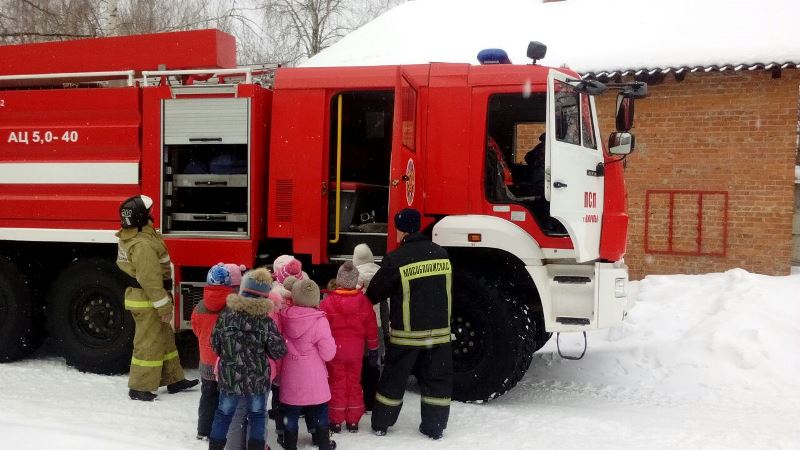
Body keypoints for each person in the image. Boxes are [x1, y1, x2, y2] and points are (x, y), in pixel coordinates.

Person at [365, 208, 453, 440]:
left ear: (401, 230)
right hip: (440, 332)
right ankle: (434, 427)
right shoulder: (441, 254)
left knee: (394, 379)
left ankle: (382, 423)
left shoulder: (397, 258)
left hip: (408, 334)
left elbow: (374, 292)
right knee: (437, 380)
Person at [116, 194, 198, 402]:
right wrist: (163, 306)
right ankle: (139, 387)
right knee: (148, 343)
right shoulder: (142, 245)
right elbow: (150, 280)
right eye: (149, 211)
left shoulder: (138, 235)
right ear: (141, 216)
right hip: (148, 300)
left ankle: (174, 380)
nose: (152, 213)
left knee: (164, 339)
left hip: (147, 298)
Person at [208, 268, 287, 450]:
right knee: (257, 415)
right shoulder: (265, 321)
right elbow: (278, 350)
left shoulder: (226, 316)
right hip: (257, 378)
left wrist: (229, 355)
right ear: (265, 296)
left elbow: (214, 344)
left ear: (243, 291)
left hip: (229, 377)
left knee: (223, 414)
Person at [320, 261, 379, 433]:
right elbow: (371, 327)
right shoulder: (364, 302)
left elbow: (322, 328)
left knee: (336, 383)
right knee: (354, 383)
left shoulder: (328, 302)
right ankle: (353, 420)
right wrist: (373, 347)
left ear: (339, 280)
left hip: (335, 351)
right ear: (354, 281)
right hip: (356, 351)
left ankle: (336, 420)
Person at [279, 278, 338, 450]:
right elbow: (328, 354)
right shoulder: (319, 321)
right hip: (314, 377)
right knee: (320, 410)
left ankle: (290, 445)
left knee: (290, 413)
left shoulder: (284, 317)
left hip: (291, 375)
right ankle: (324, 444)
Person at [191, 263, 234, 441]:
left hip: (206, 361)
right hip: (225, 362)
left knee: (207, 395)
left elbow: (196, 329)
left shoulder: (199, 306)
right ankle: (221, 431)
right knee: (225, 398)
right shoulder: (232, 307)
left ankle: (203, 430)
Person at [351, 243, 387, 414]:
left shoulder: (355, 276)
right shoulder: (381, 272)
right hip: (378, 326)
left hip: (360, 329)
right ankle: (372, 400)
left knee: (360, 364)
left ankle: (360, 398)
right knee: (374, 364)